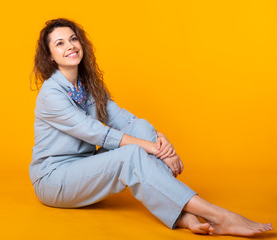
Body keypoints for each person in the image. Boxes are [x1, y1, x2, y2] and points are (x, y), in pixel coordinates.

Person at [29, 18, 273, 236]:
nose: (70, 46)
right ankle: (219, 216)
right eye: (60, 43)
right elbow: (96, 132)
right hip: (54, 180)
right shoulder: (51, 94)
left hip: (83, 167)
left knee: (143, 129)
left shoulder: (87, 85)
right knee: (133, 153)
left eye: (73, 39)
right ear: (50, 56)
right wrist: (155, 150)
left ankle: (181, 214)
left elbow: (125, 120)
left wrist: (158, 137)